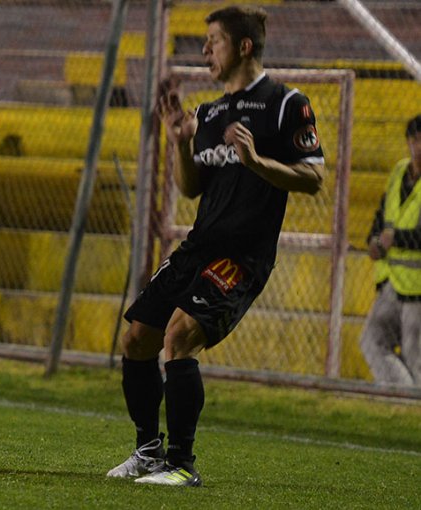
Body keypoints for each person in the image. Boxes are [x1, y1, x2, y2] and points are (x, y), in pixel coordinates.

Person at [106, 6, 325, 486]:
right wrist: (181, 142)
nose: (204, 50)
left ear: (243, 47)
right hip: (199, 245)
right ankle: (147, 452)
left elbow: (313, 178)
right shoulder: (209, 112)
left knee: (180, 335)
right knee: (137, 337)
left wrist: (256, 160)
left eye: (214, 41)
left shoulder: (286, 104)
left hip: (243, 256)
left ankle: (182, 465)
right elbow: (190, 189)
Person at [359, 114, 421, 386]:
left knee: (414, 355)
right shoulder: (399, 172)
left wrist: (394, 239)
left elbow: (403, 233)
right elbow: (382, 215)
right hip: (392, 284)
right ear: (408, 142)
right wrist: (373, 241)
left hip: (418, 290)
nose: (418, 146)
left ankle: (410, 410)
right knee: (372, 341)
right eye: (415, 140)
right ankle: (404, 401)